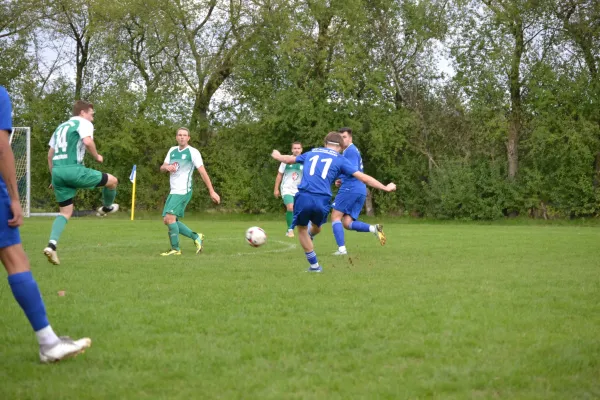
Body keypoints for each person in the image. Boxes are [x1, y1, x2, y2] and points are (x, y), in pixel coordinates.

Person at [0, 86, 91, 363]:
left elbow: (51, 154)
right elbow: (2, 147)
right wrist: (15, 198)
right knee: (16, 260)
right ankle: (49, 343)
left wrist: (54, 174)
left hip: (60, 173)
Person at [271, 131, 396, 272]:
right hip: (323, 199)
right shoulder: (340, 159)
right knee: (318, 226)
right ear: (341, 147)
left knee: (302, 229)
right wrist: (385, 187)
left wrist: (278, 156)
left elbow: (290, 159)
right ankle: (314, 237)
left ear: (325, 144)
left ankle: (315, 266)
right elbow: (364, 178)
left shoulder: (312, 152)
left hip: (305, 196)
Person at [43, 100, 120, 265]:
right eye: (92, 114)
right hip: (74, 170)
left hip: (57, 172)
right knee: (113, 181)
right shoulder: (83, 123)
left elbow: (50, 155)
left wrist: (53, 178)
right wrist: (97, 156)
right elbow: (87, 141)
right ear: (83, 112)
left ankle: (51, 246)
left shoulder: (60, 127)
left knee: (65, 212)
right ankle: (106, 207)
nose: (92, 119)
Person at [159, 127, 220, 256]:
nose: (182, 137)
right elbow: (162, 168)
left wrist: (212, 191)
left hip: (183, 190)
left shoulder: (193, 152)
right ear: (176, 137)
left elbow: (202, 172)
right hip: (173, 191)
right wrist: (167, 167)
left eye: (184, 135)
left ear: (188, 138)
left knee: (170, 218)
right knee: (167, 220)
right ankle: (196, 236)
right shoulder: (172, 150)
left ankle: (176, 249)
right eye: (179, 135)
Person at [330, 127, 385, 256]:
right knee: (347, 223)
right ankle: (375, 229)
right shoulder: (351, 151)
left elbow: (353, 170)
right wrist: (341, 179)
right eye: (340, 137)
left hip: (351, 187)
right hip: (360, 189)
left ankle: (342, 250)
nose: (342, 140)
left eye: (344, 137)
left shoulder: (350, 151)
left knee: (335, 216)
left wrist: (342, 179)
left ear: (350, 138)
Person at [273, 141, 303, 237]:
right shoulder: (285, 161)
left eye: (298, 148)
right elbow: (279, 175)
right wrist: (276, 189)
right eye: (295, 148)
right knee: (290, 207)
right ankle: (290, 230)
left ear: (301, 149)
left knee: (301, 210)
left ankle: (303, 228)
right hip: (287, 189)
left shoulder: (305, 161)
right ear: (292, 150)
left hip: (299, 190)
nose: (296, 150)